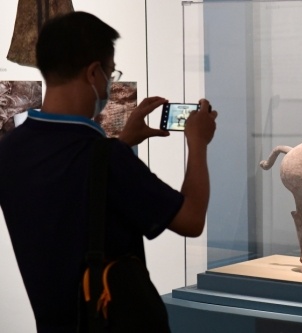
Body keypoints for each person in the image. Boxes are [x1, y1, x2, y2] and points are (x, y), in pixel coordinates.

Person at [0, 11, 217, 333]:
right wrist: (198, 143)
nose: (110, 82)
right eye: (111, 73)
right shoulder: (107, 159)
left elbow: (70, 188)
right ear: (93, 73)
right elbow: (191, 220)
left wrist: (121, 141)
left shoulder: (10, 148)